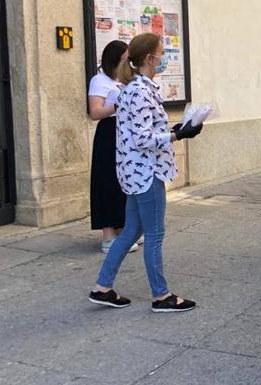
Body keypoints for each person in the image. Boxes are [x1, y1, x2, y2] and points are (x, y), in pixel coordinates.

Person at [88, 33, 203, 313]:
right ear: (149, 58)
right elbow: (143, 139)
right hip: (145, 172)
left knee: (131, 231)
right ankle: (161, 296)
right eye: (161, 53)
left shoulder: (140, 87)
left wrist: (178, 129)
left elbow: (145, 130)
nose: (163, 58)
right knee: (154, 235)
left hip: (137, 172)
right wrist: (178, 136)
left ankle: (103, 287)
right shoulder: (139, 90)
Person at [88, 40, 140, 254]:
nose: (128, 63)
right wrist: (118, 103)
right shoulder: (99, 80)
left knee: (124, 180)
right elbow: (95, 112)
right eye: (125, 59)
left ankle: (123, 229)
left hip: (125, 132)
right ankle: (108, 235)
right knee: (107, 181)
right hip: (109, 132)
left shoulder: (126, 79)